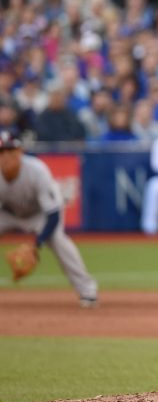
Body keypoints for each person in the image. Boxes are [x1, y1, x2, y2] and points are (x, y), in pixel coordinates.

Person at [0, 130, 98, 307]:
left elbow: (53, 215)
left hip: (39, 215)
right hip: (7, 215)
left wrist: (36, 244)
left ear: (20, 152)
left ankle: (87, 290)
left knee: (59, 240)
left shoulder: (37, 170)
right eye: (1, 153)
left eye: (10, 151)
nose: (5, 157)